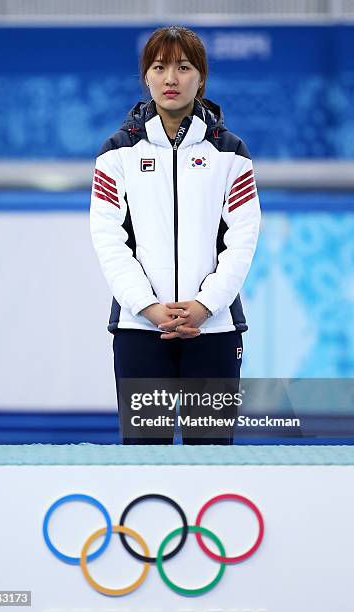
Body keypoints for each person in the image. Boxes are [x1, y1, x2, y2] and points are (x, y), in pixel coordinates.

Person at [90, 26, 261, 445]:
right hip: (139, 331)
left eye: (183, 68)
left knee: (213, 455)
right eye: (159, 67)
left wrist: (206, 305)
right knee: (145, 458)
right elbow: (109, 239)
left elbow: (242, 239)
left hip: (213, 331)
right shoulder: (117, 152)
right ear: (145, 76)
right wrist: (147, 307)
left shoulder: (230, 152)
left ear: (201, 77)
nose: (171, 79)